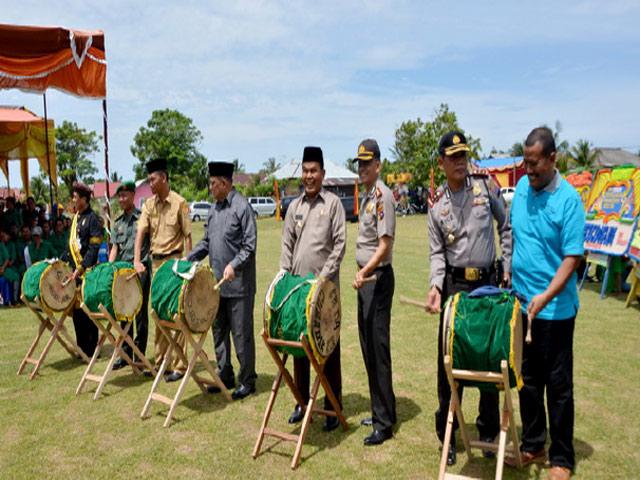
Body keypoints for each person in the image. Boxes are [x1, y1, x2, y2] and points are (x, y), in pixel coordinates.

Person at [425, 131, 512, 465]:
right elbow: (436, 253)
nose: (461, 161)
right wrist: (435, 286)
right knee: (449, 360)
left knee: (490, 356)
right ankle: (447, 437)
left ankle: (488, 428)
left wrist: (507, 265)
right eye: (454, 157)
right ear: (443, 163)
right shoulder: (437, 206)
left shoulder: (485, 187)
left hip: (489, 285)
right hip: (455, 289)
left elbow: (506, 226)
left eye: (463, 155)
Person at [507, 127, 585, 480]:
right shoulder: (522, 188)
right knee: (527, 381)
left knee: (557, 385)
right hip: (522, 306)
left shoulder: (569, 200)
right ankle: (533, 442)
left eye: (535, 163)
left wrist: (544, 297)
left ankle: (562, 458)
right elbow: (515, 236)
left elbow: (571, 259)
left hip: (554, 311)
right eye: (525, 162)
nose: (529, 170)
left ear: (553, 159)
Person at [280, 146, 346, 431]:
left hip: (324, 291)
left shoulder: (332, 204)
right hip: (297, 289)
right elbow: (287, 245)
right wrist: (284, 274)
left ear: (323, 174)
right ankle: (301, 403)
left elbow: (340, 244)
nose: (309, 176)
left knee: (328, 348)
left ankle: (333, 408)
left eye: (313, 171)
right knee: (300, 350)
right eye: (305, 171)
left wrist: (324, 277)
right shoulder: (294, 207)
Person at [187, 161, 257, 400]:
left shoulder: (242, 207)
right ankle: (224, 374)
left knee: (241, 334)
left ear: (225, 183)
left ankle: (247, 380)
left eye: (213, 184)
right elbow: (207, 242)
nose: (210, 188)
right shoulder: (214, 210)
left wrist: (233, 265)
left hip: (239, 287)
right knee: (219, 332)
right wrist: (188, 259)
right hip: (216, 286)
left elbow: (250, 246)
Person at [351, 138, 397, 446]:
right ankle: (379, 409)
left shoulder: (383, 196)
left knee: (378, 350)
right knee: (368, 347)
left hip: (376, 279)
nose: (363, 168)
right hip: (367, 280)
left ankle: (384, 422)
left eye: (368, 163)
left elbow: (384, 245)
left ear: (378, 165)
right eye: (360, 163)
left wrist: (365, 272)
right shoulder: (368, 196)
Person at [134, 158, 192, 382]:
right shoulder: (149, 204)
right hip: (156, 265)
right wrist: (137, 260)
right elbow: (141, 233)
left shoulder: (179, 203)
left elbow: (188, 236)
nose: (150, 182)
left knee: (177, 314)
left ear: (164, 178)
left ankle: (179, 365)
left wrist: (187, 265)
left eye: (153, 178)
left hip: (175, 263)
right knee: (158, 313)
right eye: (149, 179)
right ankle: (161, 363)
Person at [109, 181, 151, 371]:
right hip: (123, 272)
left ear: (133, 195)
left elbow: (151, 243)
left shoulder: (142, 218)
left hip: (140, 270)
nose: (121, 199)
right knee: (123, 313)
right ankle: (125, 354)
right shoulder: (117, 223)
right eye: (119, 196)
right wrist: (109, 268)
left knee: (140, 314)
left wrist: (144, 262)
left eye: (124, 195)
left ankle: (139, 356)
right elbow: (115, 248)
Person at [64, 182, 101, 357]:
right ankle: (81, 347)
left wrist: (81, 267)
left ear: (84, 199)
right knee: (78, 314)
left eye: (76, 197)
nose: (73, 199)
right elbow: (70, 246)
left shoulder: (93, 219)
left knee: (89, 313)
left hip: (87, 272)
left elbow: (93, 249)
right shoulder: (76, 218)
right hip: (74, 274)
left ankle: (92, 349)